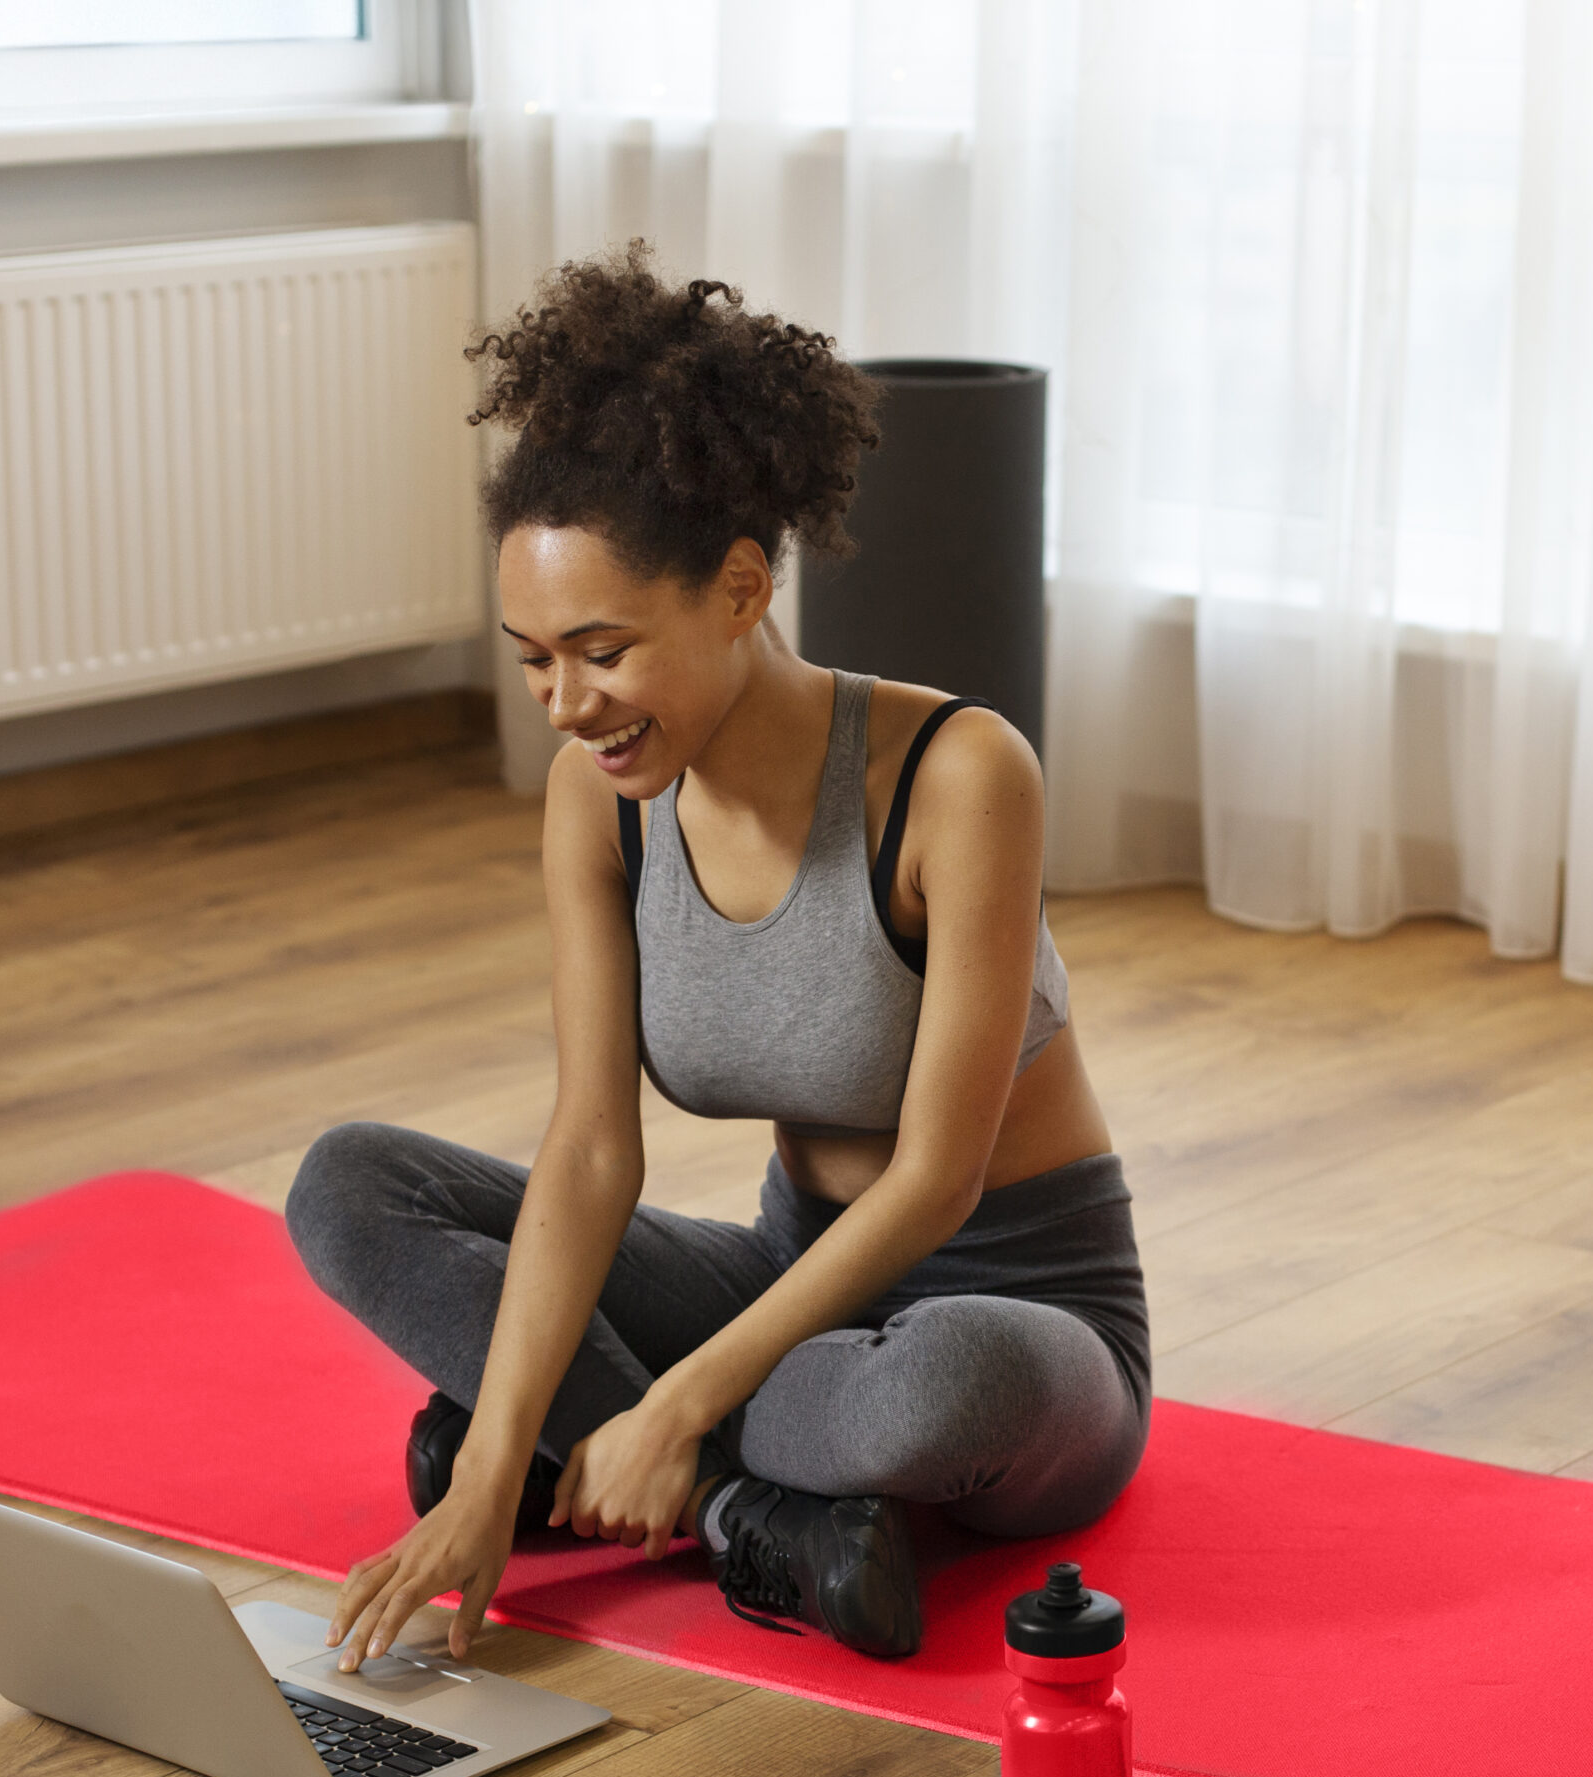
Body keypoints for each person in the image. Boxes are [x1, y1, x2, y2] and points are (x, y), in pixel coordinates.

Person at [287, 244, 1149, 1672]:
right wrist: (496, 1472)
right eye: (530, 658)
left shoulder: (957, 774)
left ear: (741, 589)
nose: (565, 704)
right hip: (787, 1277)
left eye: (601, 649)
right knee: (353, 1184)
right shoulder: (600, 805)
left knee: (937, 1382)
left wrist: (663, 1409)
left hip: (1020, 1309)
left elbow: (938, 1181)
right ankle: (756, 1516)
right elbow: (586, 1156)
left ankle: (640, 1453)